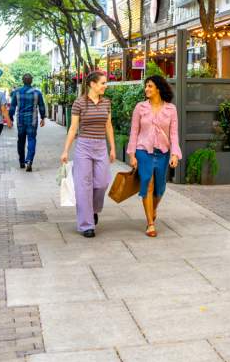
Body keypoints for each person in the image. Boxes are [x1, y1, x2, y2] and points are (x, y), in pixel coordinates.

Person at [60, 71, 116, 238]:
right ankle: (86, 225)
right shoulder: (79, 103)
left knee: (102, 182)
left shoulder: (106, 103)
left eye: (105, 83)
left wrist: (112, 148)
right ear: (92, 84)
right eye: (103, 83)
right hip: (83, 146)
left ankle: (93, 209)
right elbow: (73, 128)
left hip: (100, 146)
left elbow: (109, 126)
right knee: (83, 186)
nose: (105, 86)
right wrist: (65, 151)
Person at [127, 75, 181, 238]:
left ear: (158, 88)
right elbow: (134, 131)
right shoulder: (140, 107)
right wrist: (132, 154)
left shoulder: (171, 109)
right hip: (143, 151)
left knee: (160, 188)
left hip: (163, 152)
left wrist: (175, 154)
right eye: (146, 86)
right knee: (147, 183)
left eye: (150, 86)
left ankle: (153, 208)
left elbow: (174, 134)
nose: (146, 89)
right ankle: (150, 223)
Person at [9, 73, 46, 172]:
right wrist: (43, 117)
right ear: (31, 81)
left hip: (20, 121)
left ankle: (21, 161)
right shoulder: (37, 93)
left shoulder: (16, 92)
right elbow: (42, 106)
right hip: (32, 121)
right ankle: (29, 160)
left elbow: (12, 107)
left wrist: (10, 119)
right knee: (31, 139)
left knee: (20, 141)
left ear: (22, 81)